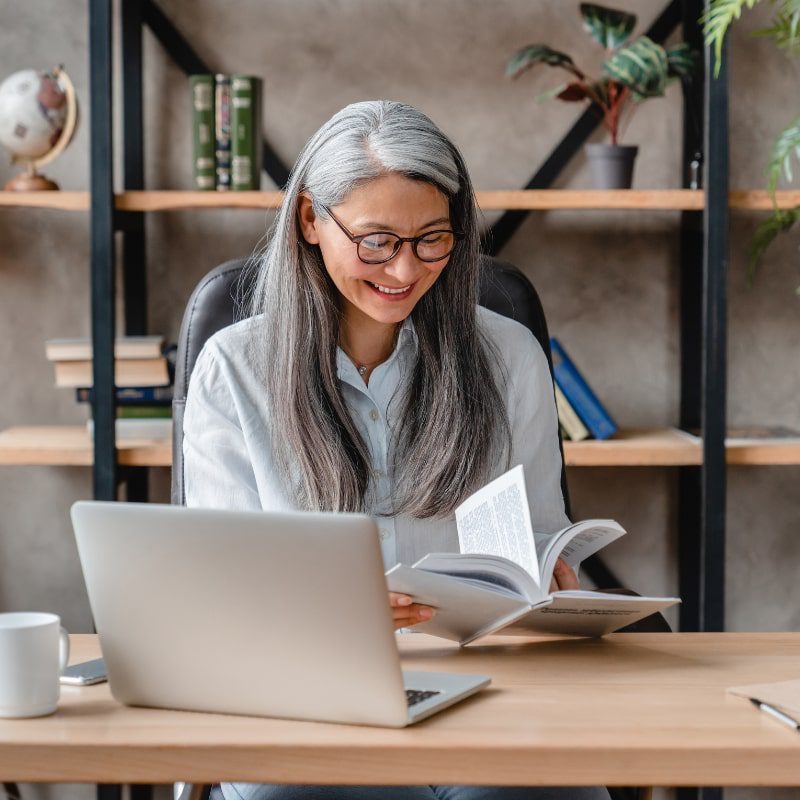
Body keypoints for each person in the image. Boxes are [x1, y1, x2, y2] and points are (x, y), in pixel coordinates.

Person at [183, 100, 608, 800]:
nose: (405, 270)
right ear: (311, 221)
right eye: (376, 241)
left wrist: (551, 572)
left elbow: (535, 528)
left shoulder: (508, 355)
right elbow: (216, 588)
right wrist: (336, 604)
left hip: (487, 689)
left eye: (432, 239)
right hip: (308, 698)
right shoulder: (235, 368)